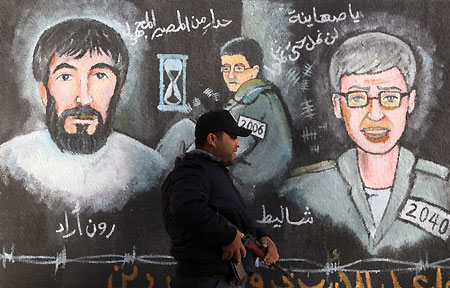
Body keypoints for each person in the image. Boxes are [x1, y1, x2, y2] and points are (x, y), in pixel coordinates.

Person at [280, 32, 450, 256]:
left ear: (409, 102)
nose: (376, 114)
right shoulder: (300, 193)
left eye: (390, 97)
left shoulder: (442, 189)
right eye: (358, 98)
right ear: (338, 105)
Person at [0, 18, 167, 213]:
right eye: (66, 77)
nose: (84, 98)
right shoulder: (10, 164)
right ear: (44, 91)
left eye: (99, 76)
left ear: (120, 90)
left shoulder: (151, 171)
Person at [158, 37, 292, 197]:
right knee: (185, 128)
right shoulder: (256, 96)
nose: (230, 75)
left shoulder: (255, 103)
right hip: (243, 174)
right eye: (226, 68)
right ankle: (159, 183)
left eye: (238, 68)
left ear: (254, 70)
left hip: (248, 184)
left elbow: (222, 150)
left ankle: (157, 187)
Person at [161, 109, 279, 287]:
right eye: (232, 137)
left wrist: (262, 237)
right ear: (212, 139)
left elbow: (231, 216)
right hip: (205, 280)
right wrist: (228, 235)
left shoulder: (211, 171)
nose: (238, 143)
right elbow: (187, 208)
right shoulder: (194, 168)